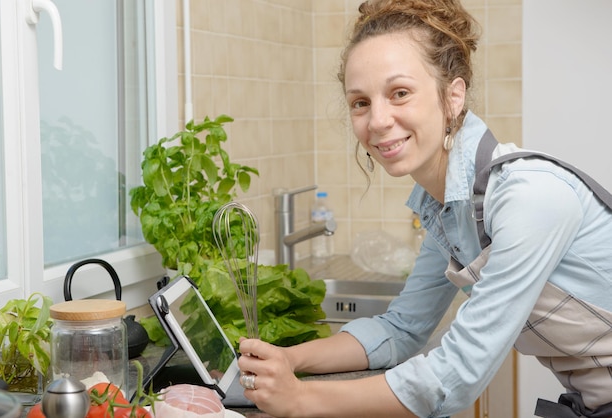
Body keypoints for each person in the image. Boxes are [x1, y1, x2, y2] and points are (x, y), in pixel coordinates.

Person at [237, 0, 612, 416]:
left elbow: (457, 374)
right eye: (360, 102)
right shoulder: (451, 209)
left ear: (453, 97)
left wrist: (301, 400)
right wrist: (290, 359)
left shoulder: (529, 197)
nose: (377, 120)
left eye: (400, 93)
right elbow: (402, 328)